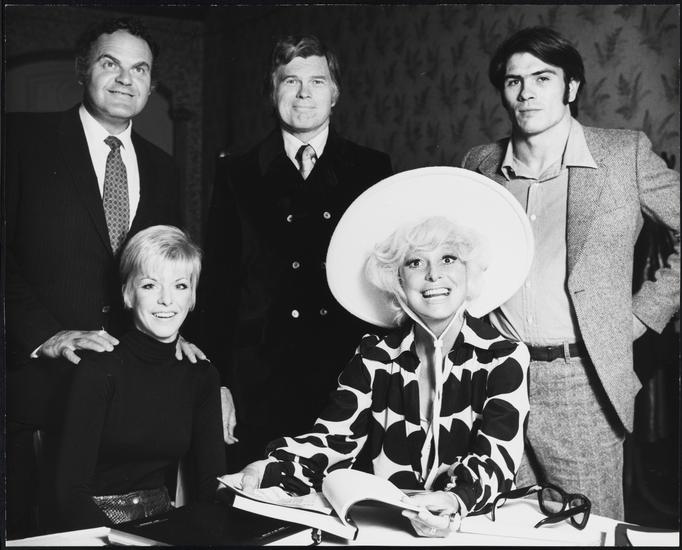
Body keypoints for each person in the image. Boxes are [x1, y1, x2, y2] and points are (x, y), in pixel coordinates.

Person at [222, 168, 533, 538]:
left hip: (469, 529)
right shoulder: (375, 356)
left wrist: (454, 500)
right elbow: (333, 441)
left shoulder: (504, 357)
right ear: (397, 280)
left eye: (448, 259)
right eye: (415, 262)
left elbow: (497, 457)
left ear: (470, 272)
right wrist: (264, 470)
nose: (433, 275)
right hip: (386, 531)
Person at [461, 27, 680, 520]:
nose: (527, 92)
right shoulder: (480, 164)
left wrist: (641, 316)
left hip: (581, 380)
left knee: (587, 526)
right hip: (495, 375)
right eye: (514, 81)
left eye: (543, 77)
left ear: (571, 86)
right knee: (503, 525)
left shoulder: (623, 155)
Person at [4, 17, 207, 537]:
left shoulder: (163, 167)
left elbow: (163, 270)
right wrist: (45, 334)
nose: (125, 79)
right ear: (83, 70)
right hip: (40, 388)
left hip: (127, 405)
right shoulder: (21, 140)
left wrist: (175, 333)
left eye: (140, 69)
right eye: (109, 63)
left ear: (151, 84)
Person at [200, 34, 392, 468]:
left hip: (346, 376)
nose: (304, 93)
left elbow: (388, 280)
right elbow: (217, 287)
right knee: (258, 494)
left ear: (335, 93)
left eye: (317, 81)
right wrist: (218, 383)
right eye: (291, 81)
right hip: (258, 380)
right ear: (273, 92)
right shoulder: (237, 173)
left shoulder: (371, 168)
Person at [55, 225, 226, 530]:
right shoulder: (98, 369)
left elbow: (210, 487)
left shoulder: (202, 375)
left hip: (162, 523)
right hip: (94, 528)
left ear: (192, 296)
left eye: (180, 286)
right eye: (150, 285)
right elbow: (70, 494)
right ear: (128, 294)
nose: (166, 300)